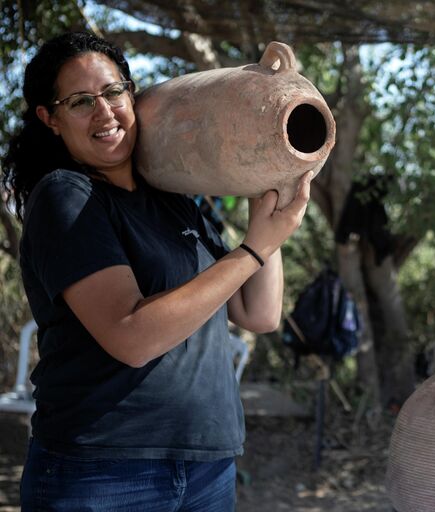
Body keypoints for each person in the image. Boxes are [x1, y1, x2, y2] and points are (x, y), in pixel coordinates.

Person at [1, 31, 311, 510]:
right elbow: (131, 336)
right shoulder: (66, 196)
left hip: (208, 466)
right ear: (51, 119)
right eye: (81, 101)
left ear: (131, 93)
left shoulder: (176, 199)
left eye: (113, 92)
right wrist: (253, 250)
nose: (105, 113)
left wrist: (264, 181)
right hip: (103, 472)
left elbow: (259, 313)